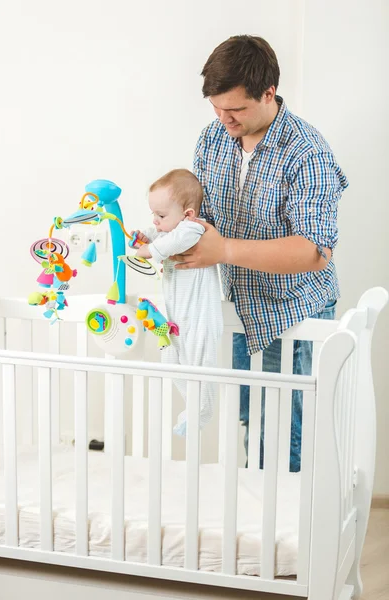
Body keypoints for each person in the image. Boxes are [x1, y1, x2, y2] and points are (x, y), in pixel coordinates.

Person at [171, 35, 349, 471]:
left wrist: (224, 249)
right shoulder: (214, 138)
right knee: (253, 420)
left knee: (285, 433)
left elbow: (313, 251)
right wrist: (165, 235)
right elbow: (205, 219)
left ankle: (291, 536)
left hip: (293, 310)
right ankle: (259, 528)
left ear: (268, 93)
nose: (223, 118)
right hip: (240, 309)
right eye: (216, 108)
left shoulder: (307, 153)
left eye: (234, 109)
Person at [134, 168, 223, 436]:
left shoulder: (193, 229)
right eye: (154, 214)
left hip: (199, 317)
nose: (156, 220)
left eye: (161, 215)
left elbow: (174, 240)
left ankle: (201, 412)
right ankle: (190, 406)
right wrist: (145, 236)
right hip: (175, 318)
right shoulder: (169, 232)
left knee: (200, 364)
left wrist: (152, 250)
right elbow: (160, 235)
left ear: (187, 214)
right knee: (172, 361)